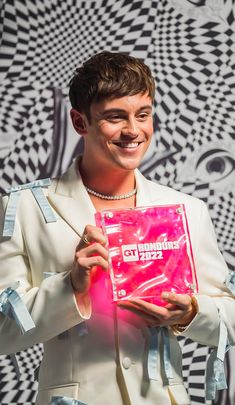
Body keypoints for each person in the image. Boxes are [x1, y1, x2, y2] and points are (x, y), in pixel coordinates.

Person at [0, 51, 234, 405]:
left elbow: (229, 317)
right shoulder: (26, 209)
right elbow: (3, 334)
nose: (133, 131)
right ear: (80, 122)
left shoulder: (187, 210)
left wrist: (189, 312)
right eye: (115, 117)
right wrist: (72, 285)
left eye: (143, 115)